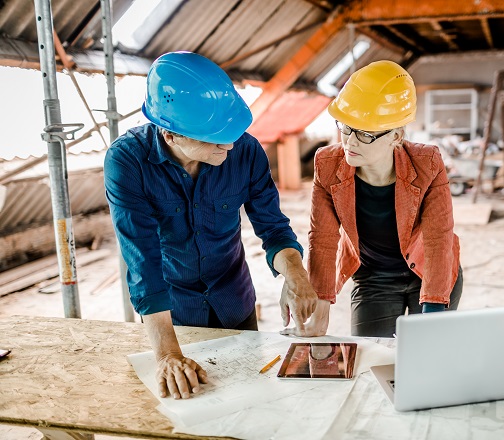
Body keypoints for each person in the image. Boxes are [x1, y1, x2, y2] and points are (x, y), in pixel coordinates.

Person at [104, 51, 317, 399]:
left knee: (250, 400)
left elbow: (273, 227)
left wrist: (296, 275)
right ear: (171, 135)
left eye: (230, 133)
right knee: (189, 409)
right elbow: (142, 261)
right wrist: (167, 353)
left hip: (234, 298)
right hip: (173, 313)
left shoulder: (245, 151)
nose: (229, 144)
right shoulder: (127, 162)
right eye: (215, 139)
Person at [283, 60, 462, 338]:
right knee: (371, 360)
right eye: (346, 127)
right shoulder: (327, 164)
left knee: (427, 356)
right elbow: (323, 238)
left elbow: (439, 239)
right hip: (373, 278)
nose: (350, 142)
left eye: (365, 134)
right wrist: (321, 302)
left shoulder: (427, 162)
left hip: (427, 270)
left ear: (397, 136)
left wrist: (434, 311)